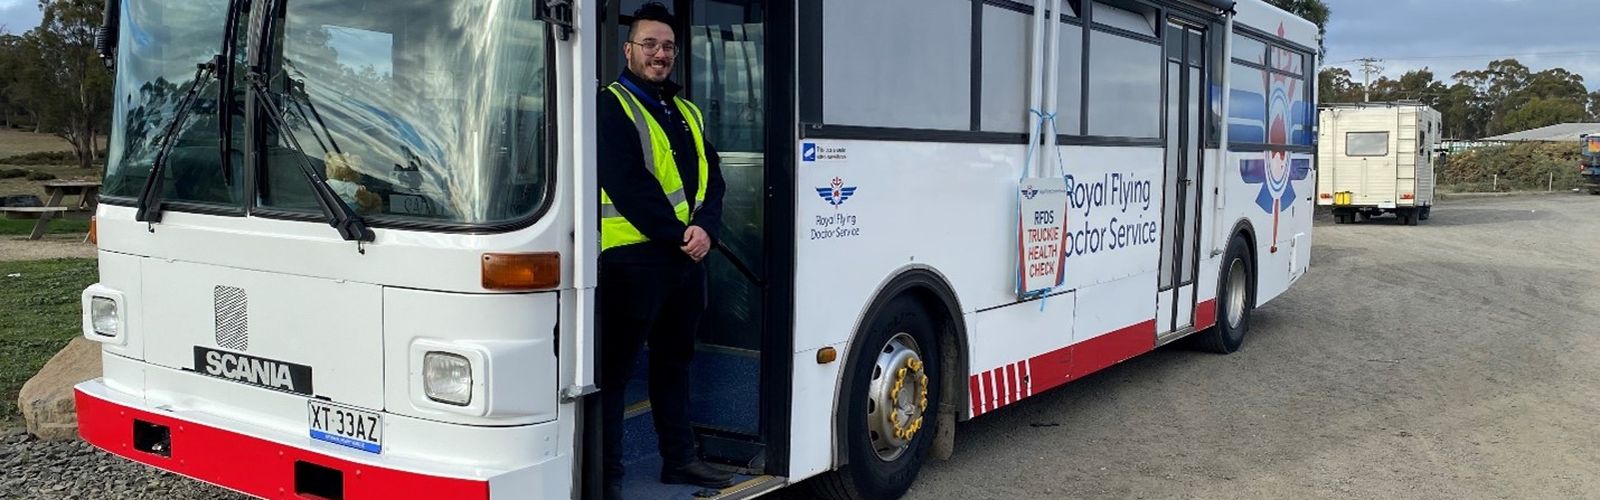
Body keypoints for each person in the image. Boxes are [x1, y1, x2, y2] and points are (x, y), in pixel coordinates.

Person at [596, 2, 731, 498]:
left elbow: (713, 179)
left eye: (668, 46)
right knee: (613, 374)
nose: (660, 54)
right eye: (649, 44)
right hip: (631, 261)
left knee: (674, 364)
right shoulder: (610, 105)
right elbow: (626, 183)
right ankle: (607, 477)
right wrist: (680, 235)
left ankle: (680, 461)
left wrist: (706, 230)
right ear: (628, 50)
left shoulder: (686, 110)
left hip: (685, 260)